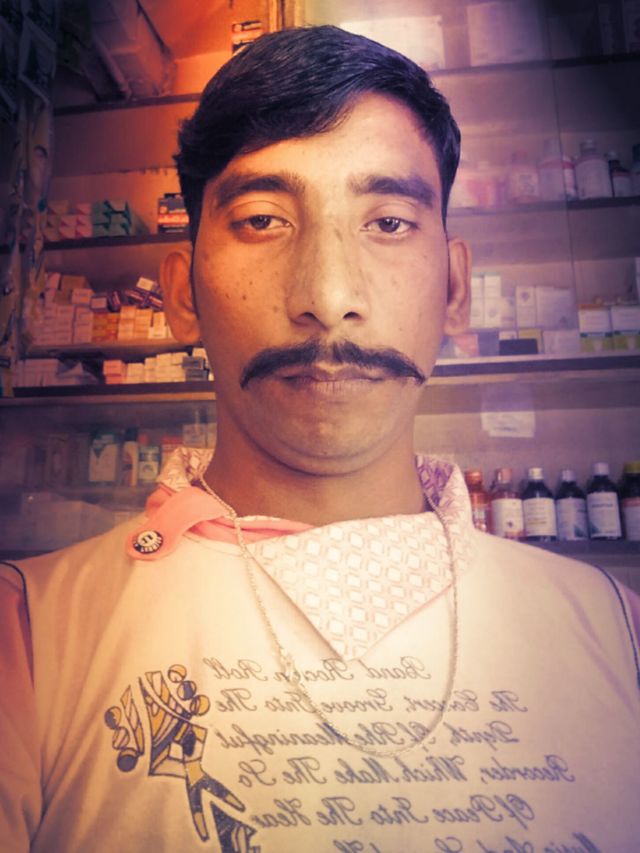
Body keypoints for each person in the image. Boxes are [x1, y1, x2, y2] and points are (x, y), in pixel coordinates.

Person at [1, 25, 639, 853]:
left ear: (455, 288)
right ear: (183, 295)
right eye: (263, 219)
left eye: (389, 222)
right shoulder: (28, 636)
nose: (330, 296)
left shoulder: (618, 632)